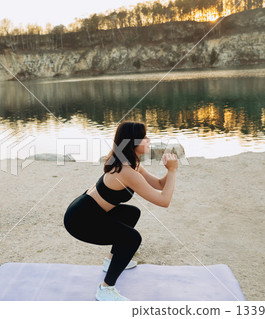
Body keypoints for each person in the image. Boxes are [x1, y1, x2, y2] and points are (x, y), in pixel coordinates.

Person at [63, 121, 179, 301]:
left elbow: (158, 184)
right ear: (132, 142)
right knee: (132, 238)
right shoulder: (126, 171)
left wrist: (169, 170)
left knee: (132, 213)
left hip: (88, 211)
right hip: (79, 220)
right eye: (144, 137)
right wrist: (172, 171)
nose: (149, 139)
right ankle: (106, 289)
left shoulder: (131, 164)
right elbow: (164, 201)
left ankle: (111, 261)